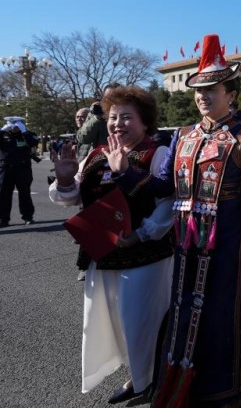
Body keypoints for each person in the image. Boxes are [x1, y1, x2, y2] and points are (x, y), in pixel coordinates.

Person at [115, 35, 241, 407]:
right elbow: (163, 186)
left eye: (211, 90)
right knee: (183, 310)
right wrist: (124, 172)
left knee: (221, 315)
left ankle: (226, 393)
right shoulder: (182, 137)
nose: (203, 96)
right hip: (185, 245)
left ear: (231, 94)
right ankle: (181, 387)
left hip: (228, 243)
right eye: (198, 90)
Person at [49, 85, 174, 403]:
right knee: (111, 323)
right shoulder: (95, 154)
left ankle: (148, 381)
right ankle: (138, 375)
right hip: (101, 254)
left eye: (127, 117)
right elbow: (72, 198)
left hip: (145, 256)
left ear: (145, 122)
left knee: (141, 322)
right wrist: (65, 179)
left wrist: (142, 233)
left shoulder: (157, 153)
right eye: (113, 117)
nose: (118, 124)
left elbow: (169, 204)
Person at [0, 117, 40, 227]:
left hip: (22, 168)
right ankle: (3, 219)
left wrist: (24, 131)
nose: (13, 128)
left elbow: (33, 142)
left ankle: (28, 217)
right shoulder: (3, 135)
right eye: (11, 125)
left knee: (25, 193)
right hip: (5, 168)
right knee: (3, 194)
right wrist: (2, 130)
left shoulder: (26, 134)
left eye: (16, 125)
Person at [76, 84, 119, 160]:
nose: (110, 102)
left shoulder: (127, 113)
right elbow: (83, 138)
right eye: (107, 98)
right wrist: (97, 118)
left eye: (114, 98)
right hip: (98, 160)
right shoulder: (95, 112)